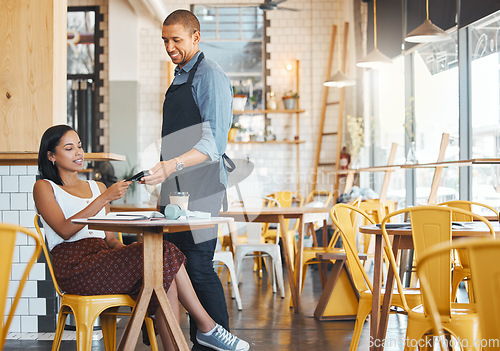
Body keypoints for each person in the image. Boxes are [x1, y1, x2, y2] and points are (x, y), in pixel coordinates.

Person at [33, 125, 249, 351]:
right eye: (69, 148)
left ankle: (191, 338)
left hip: (102, 257)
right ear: (51, 156)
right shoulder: (45, 187)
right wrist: (104, 198)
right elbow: (64, 229)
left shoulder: (96, 187)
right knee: (164, 255)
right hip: (75, 268)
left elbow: (110, 240)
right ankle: (207, 328)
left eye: (79, 146)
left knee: (161, 265)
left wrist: (129, 249)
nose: (78, 153)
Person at [142, 9, 234, 351]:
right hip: (176, 186)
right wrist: (165, 183)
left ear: (196, 37)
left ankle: (216, 341)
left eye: (176, 39)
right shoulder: (181, 75)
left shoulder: (209, 75)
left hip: (204, 184)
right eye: (165, 40)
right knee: (170, 265)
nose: (169, 46)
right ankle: (181, 343)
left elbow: (214, 145)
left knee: (197, 266)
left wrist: (170, 166)